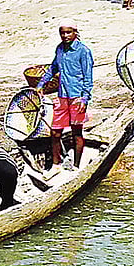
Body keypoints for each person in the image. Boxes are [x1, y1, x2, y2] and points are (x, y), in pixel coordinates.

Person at [34, 21, 94, 170]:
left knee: (76, 132)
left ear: (75, 33)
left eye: (68, 32)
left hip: (77, 97)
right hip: (62, 96)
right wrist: (41, 84)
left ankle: (76, 165)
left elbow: (88, 78)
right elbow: (53, 68)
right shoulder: (60, 49)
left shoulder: (83, 51)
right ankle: (56, 164)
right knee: (55, 132)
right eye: (63, 33)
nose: (65, 36)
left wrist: (85, 98)